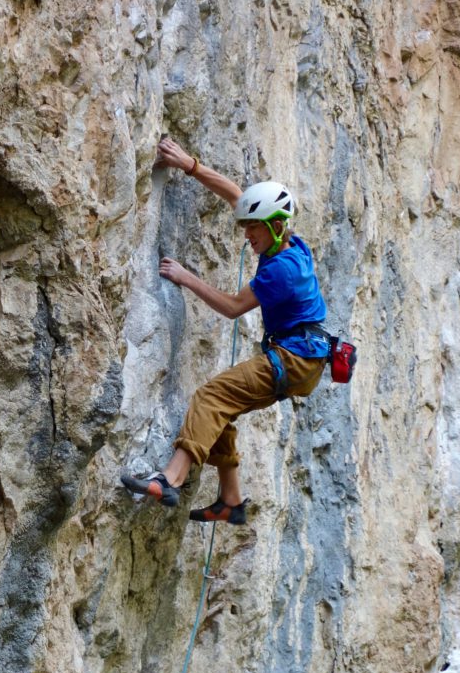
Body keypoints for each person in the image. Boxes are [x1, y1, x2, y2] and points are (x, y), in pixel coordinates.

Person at [120, 137, 330, 525]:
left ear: (276, 226)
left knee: (212, 395)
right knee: (223, 412)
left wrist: (185, 277)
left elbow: (233, 308)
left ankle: (171, 478)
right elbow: (236, 194)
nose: (247, 236)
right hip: (304, 356)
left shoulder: (282, 271)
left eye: (254, 230)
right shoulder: (288, 243)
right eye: (247, 227)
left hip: (295, 359)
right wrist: (189, 164)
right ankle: (231, 501)